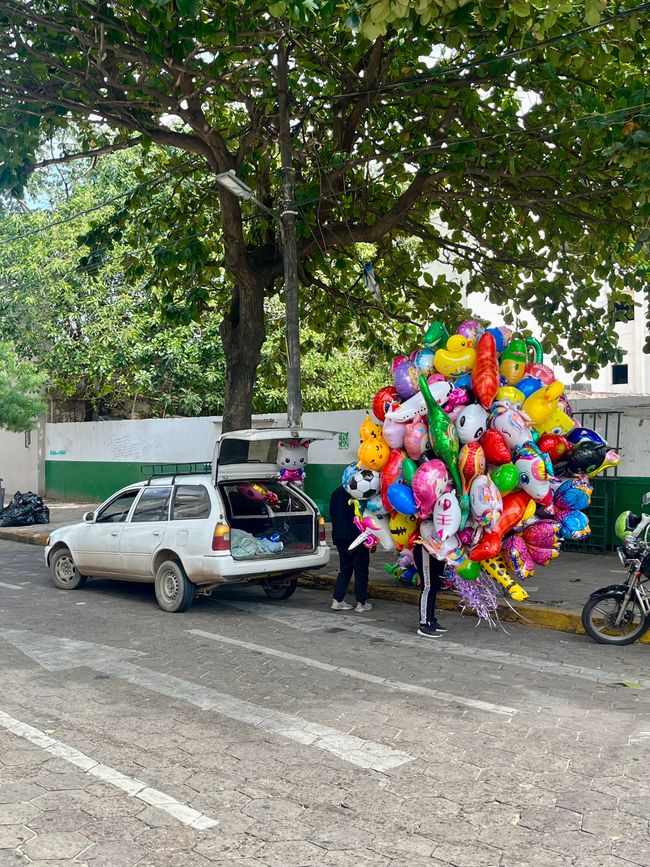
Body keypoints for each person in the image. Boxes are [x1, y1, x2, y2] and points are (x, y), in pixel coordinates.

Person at [329, 485, 372, 612]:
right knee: (361, 570)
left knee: (345, 569)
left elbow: (332, 513)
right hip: (357, 536)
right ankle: (361, 602)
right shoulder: (362, 492)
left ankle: (337, 599)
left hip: (340, 536)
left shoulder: (336, 492)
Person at [412, 543, 447, 638]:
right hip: (425, 549)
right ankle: (424, 624)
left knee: (435, 586)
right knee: (428, 587)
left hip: (438, 550)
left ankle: (431, 620)